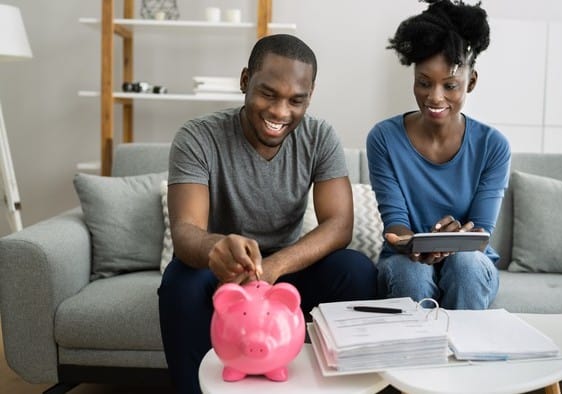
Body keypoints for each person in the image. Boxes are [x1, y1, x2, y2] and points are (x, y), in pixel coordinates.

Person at [158, 34, 378, 394]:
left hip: (288, 271)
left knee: (355, 270)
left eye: (296, 100)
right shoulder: (198, 136)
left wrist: (274, 268)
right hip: (221, 269)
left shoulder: (319, 136)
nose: (280, 112)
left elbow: (340, 225)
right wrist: (217, 248)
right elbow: (185, 232)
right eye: (268, 94)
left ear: (310, 95)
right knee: (180, 283)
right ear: (245, 81)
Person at [366, 0, 510, 310]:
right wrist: (413, 245)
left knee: (466, 266)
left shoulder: (493, 146)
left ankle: (468, 355)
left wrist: (457, 239)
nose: (435, 97)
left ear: (470, 82)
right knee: (413, 275)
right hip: (405, 261)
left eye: (450, 85)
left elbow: (481, 230)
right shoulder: (384, 138)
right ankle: (418, 357)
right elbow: (396, 225)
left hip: (470, 263)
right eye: (424, 83)